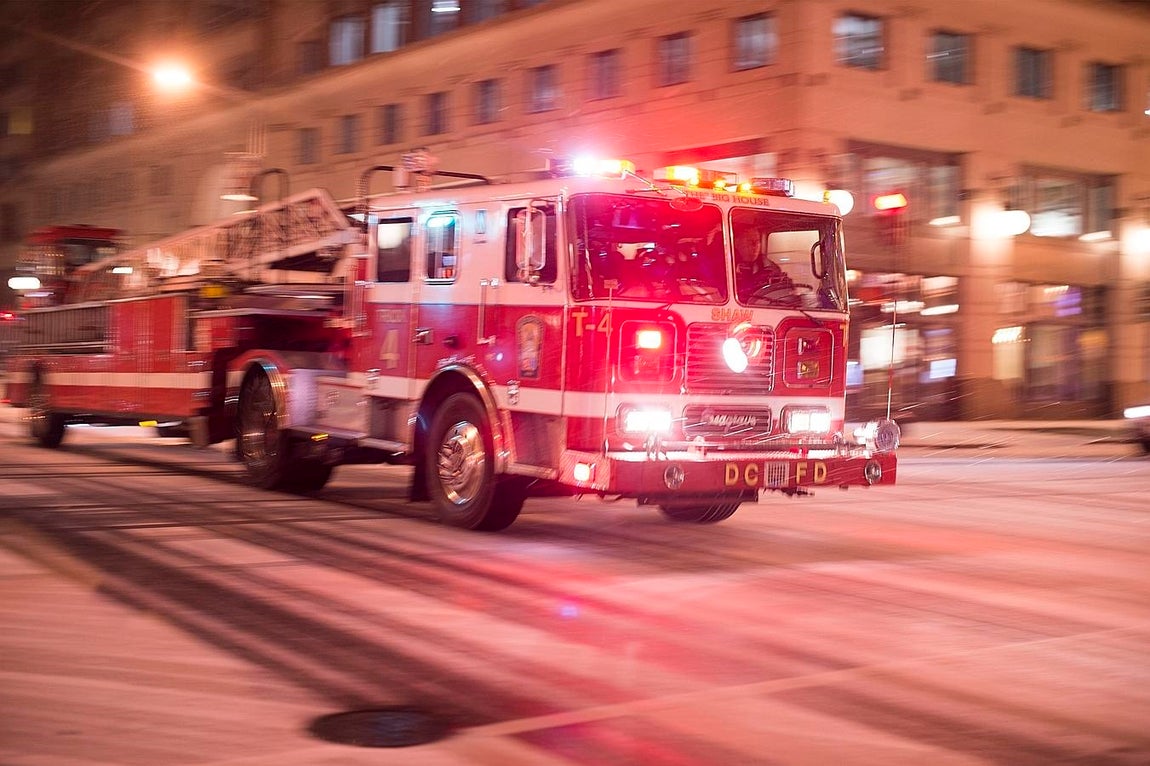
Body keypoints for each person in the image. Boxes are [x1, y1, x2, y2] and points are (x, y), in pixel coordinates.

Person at [733, 226, 792, 302]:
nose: (755, 245)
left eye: (757, 241)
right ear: (736, 242)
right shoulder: (726, 270)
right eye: (749, 241)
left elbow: (784, 295)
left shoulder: (771, 269)